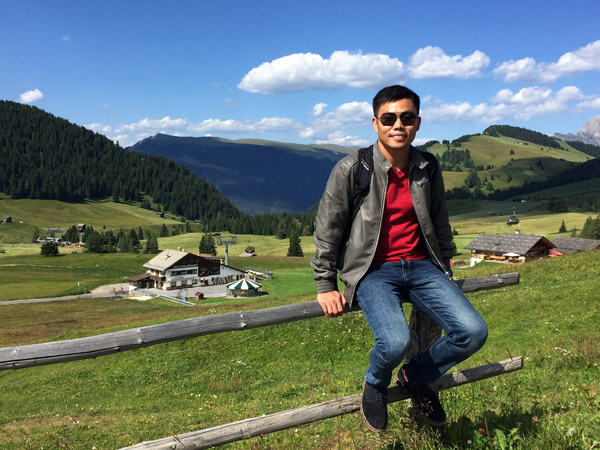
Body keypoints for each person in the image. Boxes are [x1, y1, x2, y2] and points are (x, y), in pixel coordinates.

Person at [310, 85, 488, 433]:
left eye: (407, 118)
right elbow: (328, 228)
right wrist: (324, 284)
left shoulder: (426, 165)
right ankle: (375, 382)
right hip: (372, 271)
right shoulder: (351, 168)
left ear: (417, 123)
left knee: (472, 331)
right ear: (375, 123)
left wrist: (446, 263)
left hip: (423, 266)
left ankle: (414, 376)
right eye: (389, 118)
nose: (398, 125)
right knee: (394, 341)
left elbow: (439, 219)